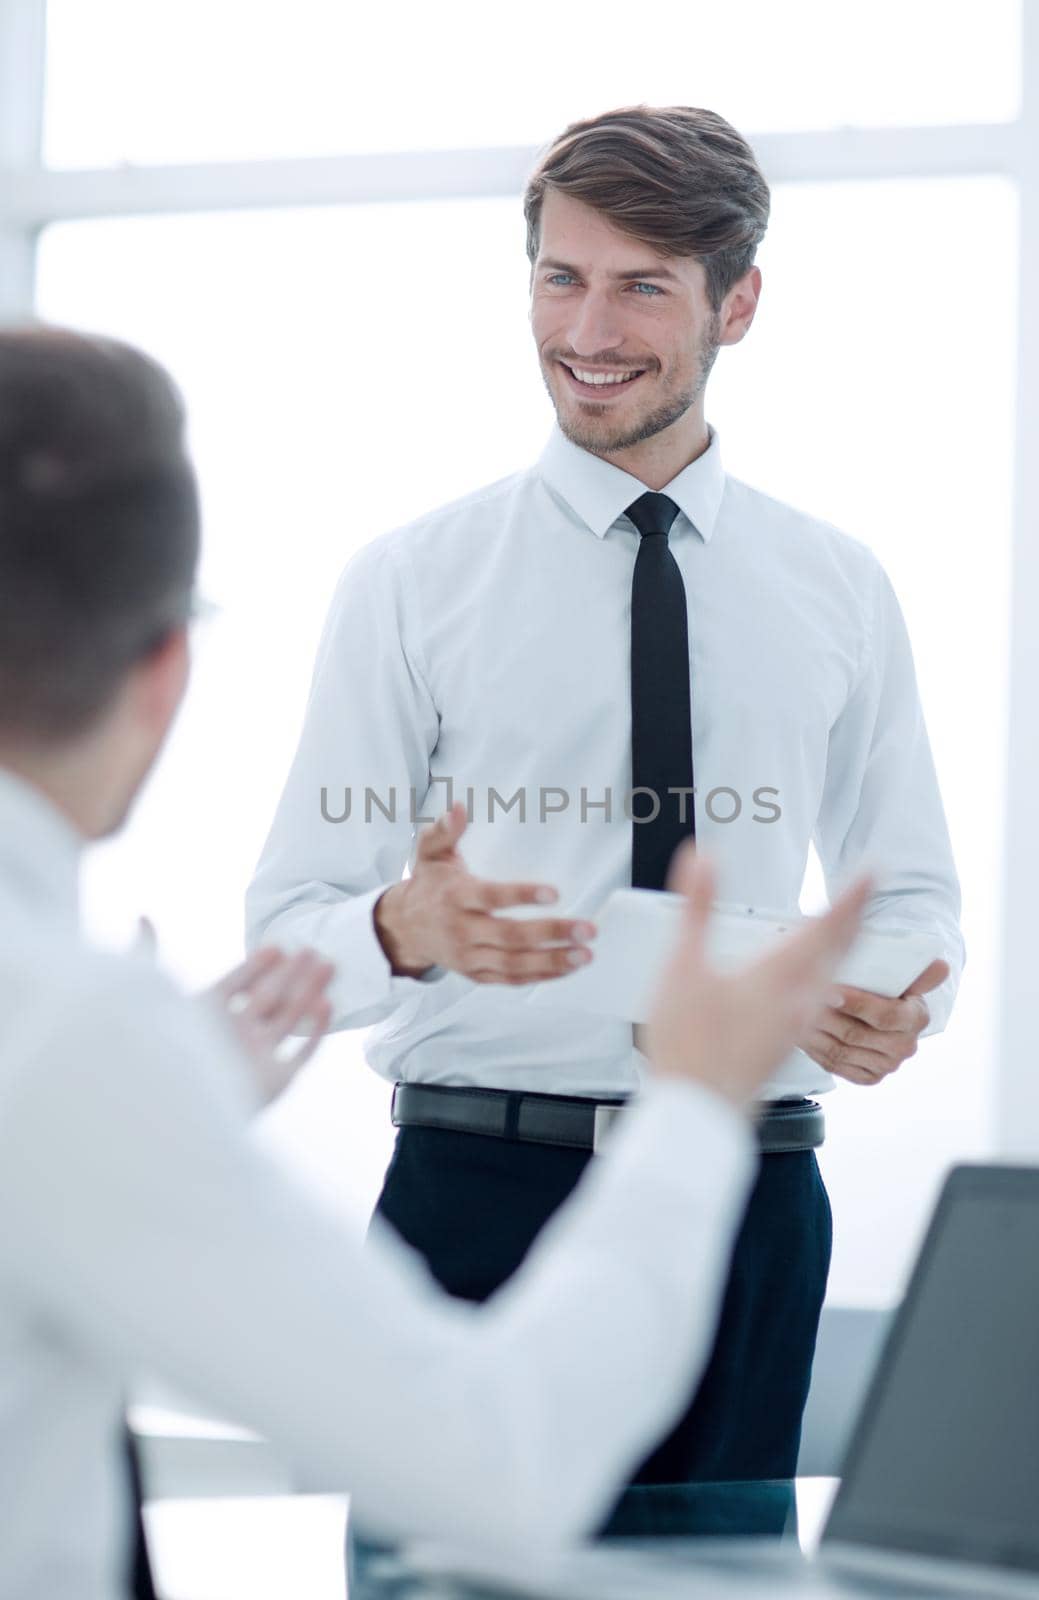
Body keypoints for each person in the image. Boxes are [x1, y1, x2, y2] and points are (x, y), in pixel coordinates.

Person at [0, 325, 870, 1598]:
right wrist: (692, 1104)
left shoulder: (81, 1052)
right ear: (163, 671)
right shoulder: (71, 1039)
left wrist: (163, 1096)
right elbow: (497, 1465)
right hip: (489, 1177)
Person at [246, 103, 965, 1486]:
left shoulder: (838, 586)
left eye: (640, 286)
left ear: (735, 303)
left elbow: (910, 886)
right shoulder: (410, 581)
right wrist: (407, 926)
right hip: (483, 1194)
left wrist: (900, 1003)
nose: (588, 332)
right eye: (559, 278)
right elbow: (291, 924)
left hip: (752, 1192)